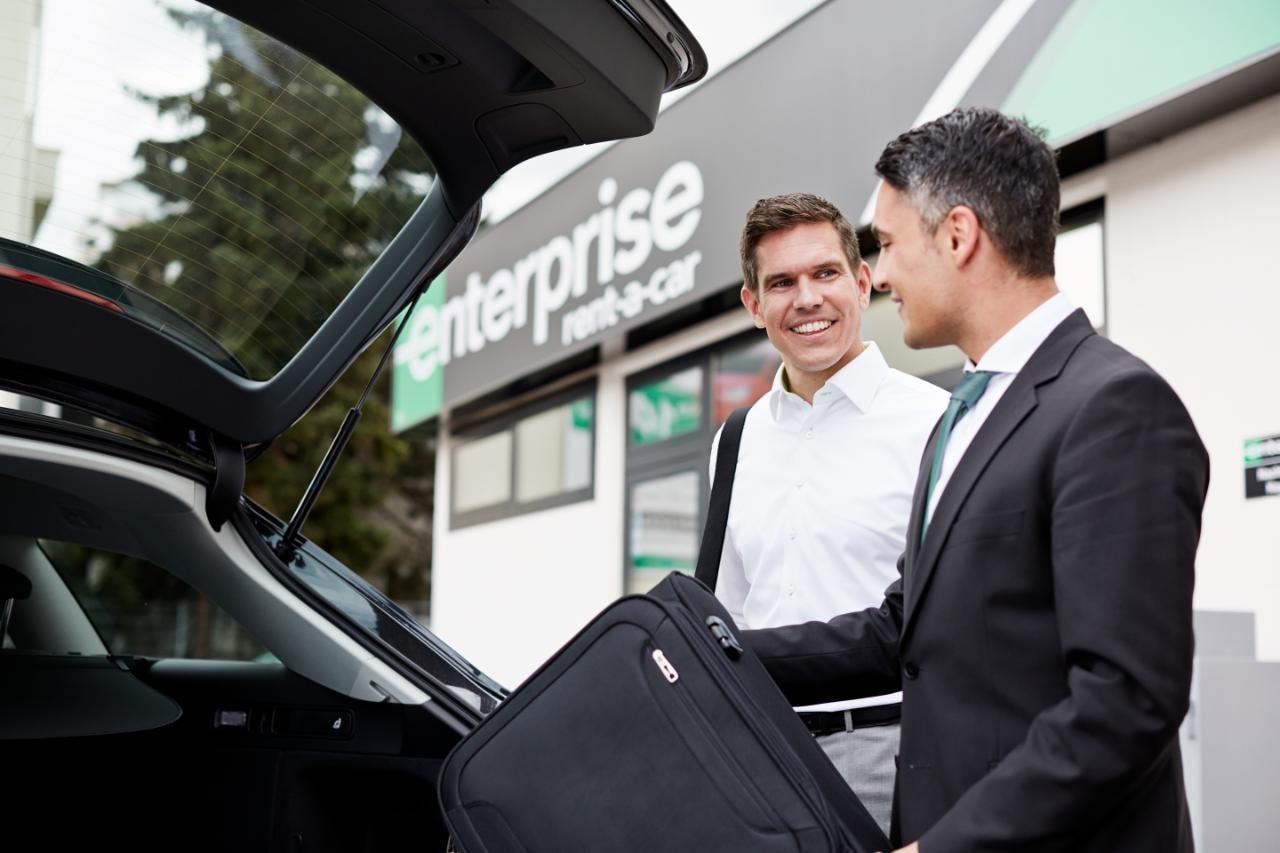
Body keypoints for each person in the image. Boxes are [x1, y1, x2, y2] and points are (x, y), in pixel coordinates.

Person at [744, 107, 1210, 852]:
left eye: (889, 244)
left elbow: (1126, 702)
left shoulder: (1114, 406)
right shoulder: (963, 415)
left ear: (958, 236)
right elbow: (900, 631)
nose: (880, 274)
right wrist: (715, 652)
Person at [712, 192, 948, 836]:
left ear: (862, 283)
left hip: (888, 754)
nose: (807, 298)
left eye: (825, 273)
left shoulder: (935, 423)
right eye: (781, 283)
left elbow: (938, 624)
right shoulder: (734, 442)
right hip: (759, 756)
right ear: (754, 306)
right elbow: (729, 610)